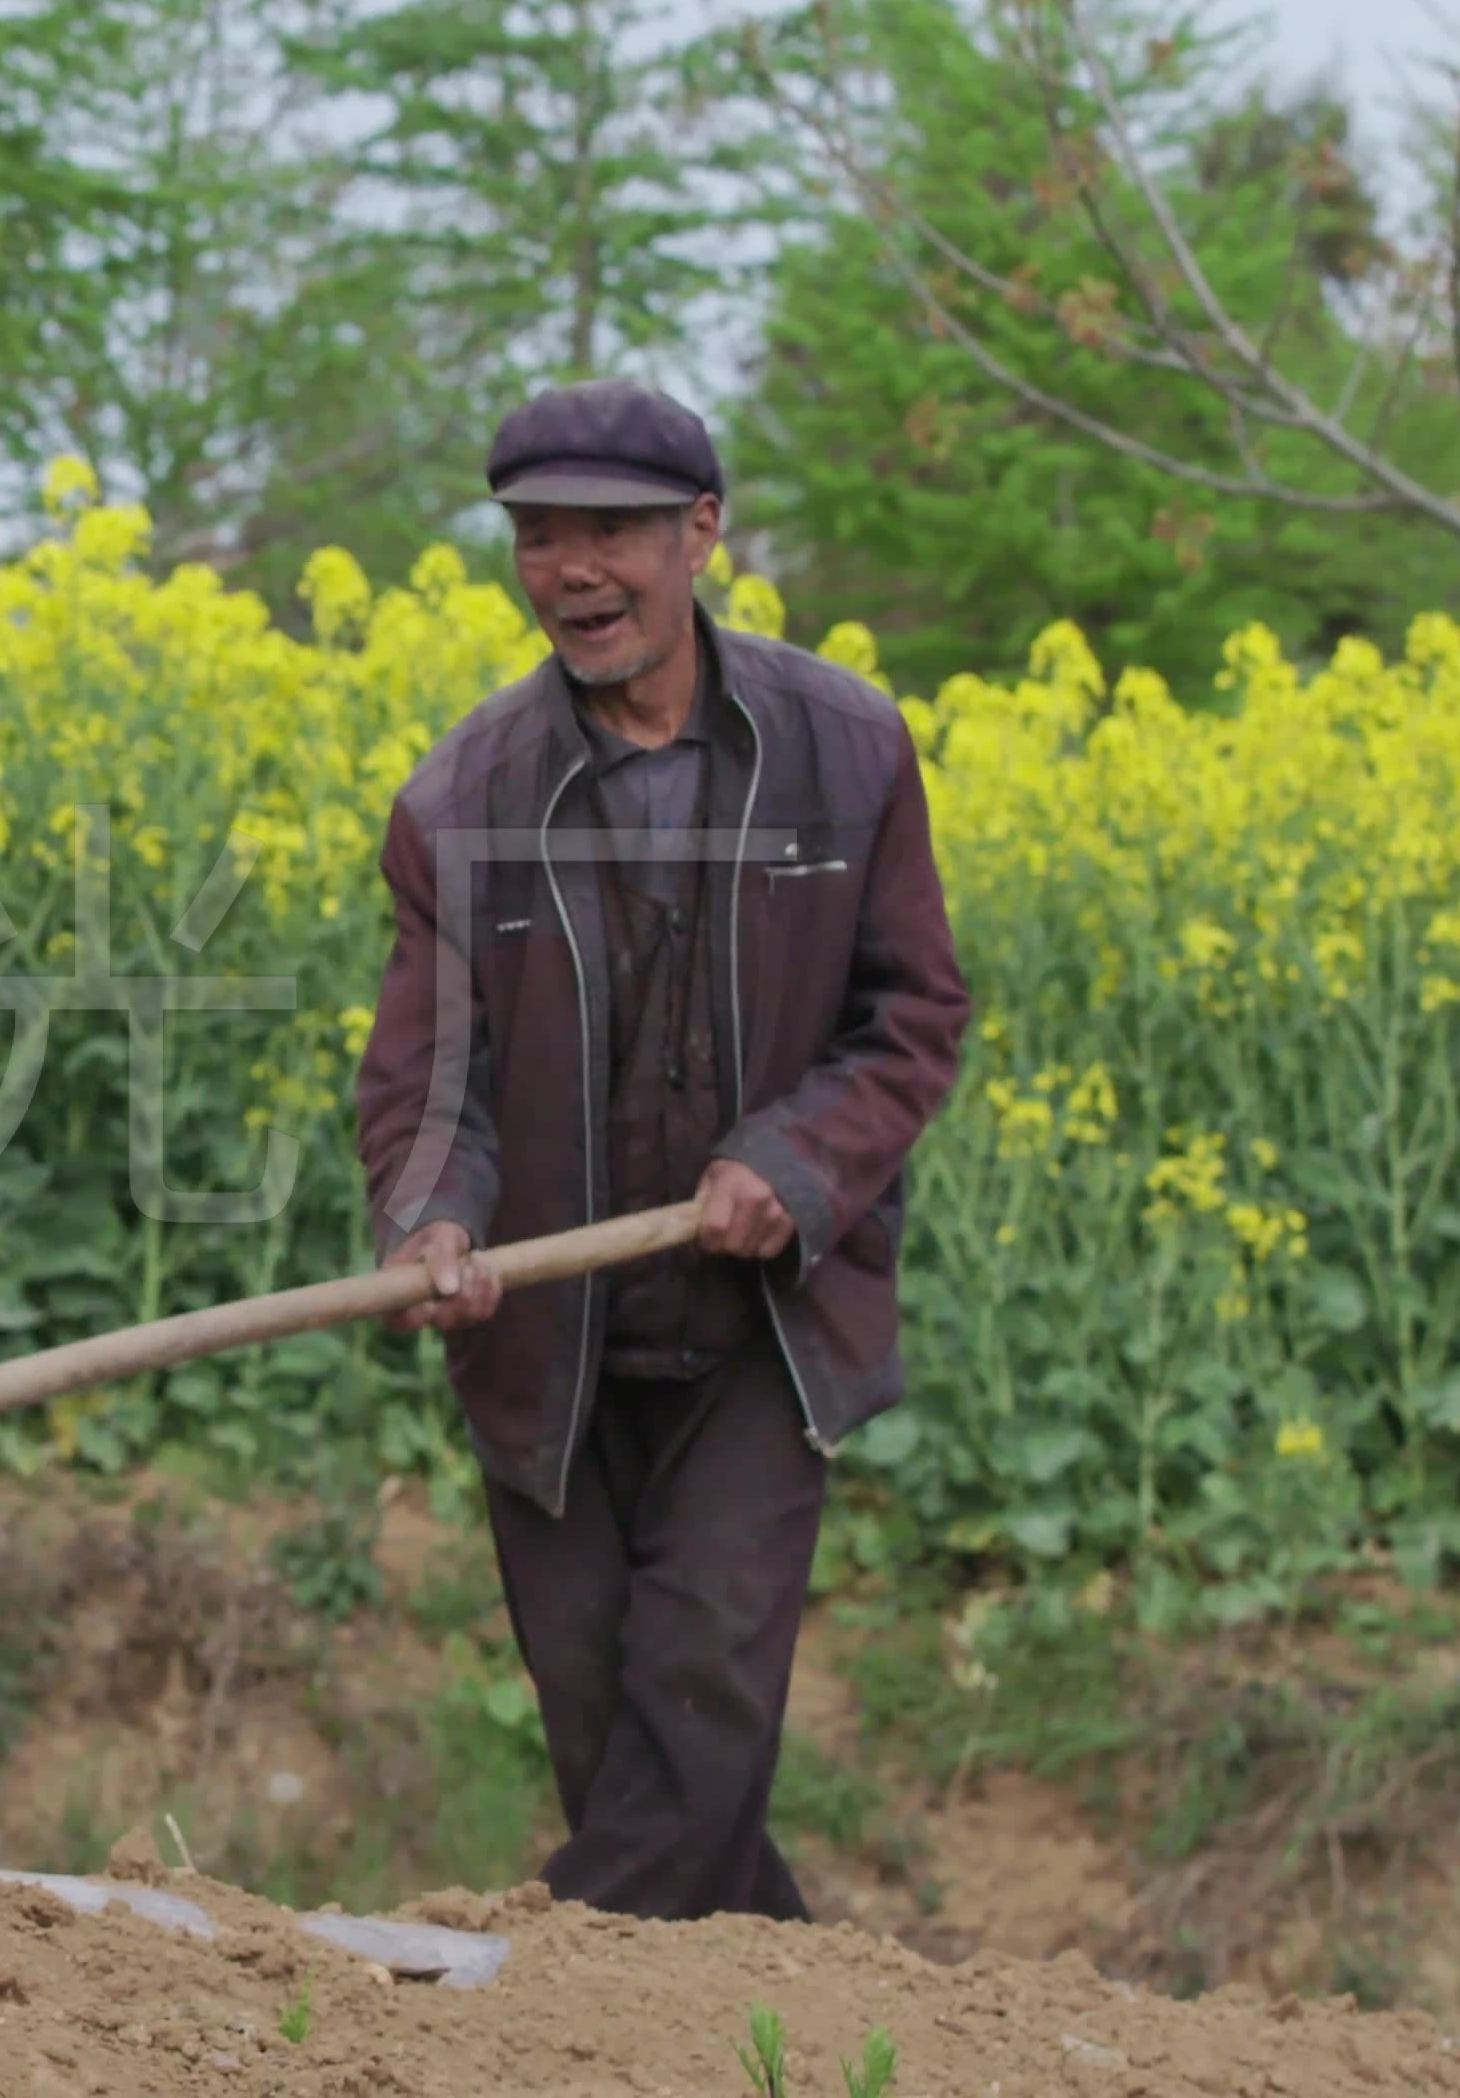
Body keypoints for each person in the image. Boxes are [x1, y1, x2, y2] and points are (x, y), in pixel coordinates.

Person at [348, 378, 970, 1923]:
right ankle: (803, 2029)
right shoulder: (459, 802)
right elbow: (432, 1077)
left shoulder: (848, 751)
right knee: (625, 1751)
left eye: (610, 531)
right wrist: (431, 1223)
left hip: (766, 1329)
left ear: (702, 535)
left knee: (696, 1711)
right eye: (538, 534)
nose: (572, 568)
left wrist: (800, 1163)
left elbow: (910, 1017)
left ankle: (515, 2014)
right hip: (548, 1351)